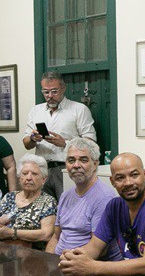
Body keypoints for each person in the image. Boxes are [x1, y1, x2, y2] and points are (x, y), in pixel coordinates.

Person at [22, 71, 96, 201]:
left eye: (54, 91)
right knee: (41, 208)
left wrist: (65, 144)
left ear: (63, 88)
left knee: (67, 207)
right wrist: (33, 139)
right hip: (40, 168)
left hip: (65, 168)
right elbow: (26, 143)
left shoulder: (79, 109)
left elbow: (91, 143)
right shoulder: (36, 111)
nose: (50, 96)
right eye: (46, 92)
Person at [49, 137, 116, 256]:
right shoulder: (65, 196)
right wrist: (48, 261)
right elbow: (55, 237)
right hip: (59, 262)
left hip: (83, 265)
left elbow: (99, 250)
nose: (76, 165)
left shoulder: (104, 198)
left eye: (83, 160)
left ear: (95, 164)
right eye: (71, 160)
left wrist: (67, 262)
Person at [0, 154, 56, 249]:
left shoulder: (48, 201)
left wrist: (12, 233)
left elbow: (45, 234)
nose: (29, 178)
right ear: (19, 177)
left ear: (43, 179)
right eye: (25, 173)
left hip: (29, 253)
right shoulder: (10, 197)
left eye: (34, 174)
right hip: (0, 249)